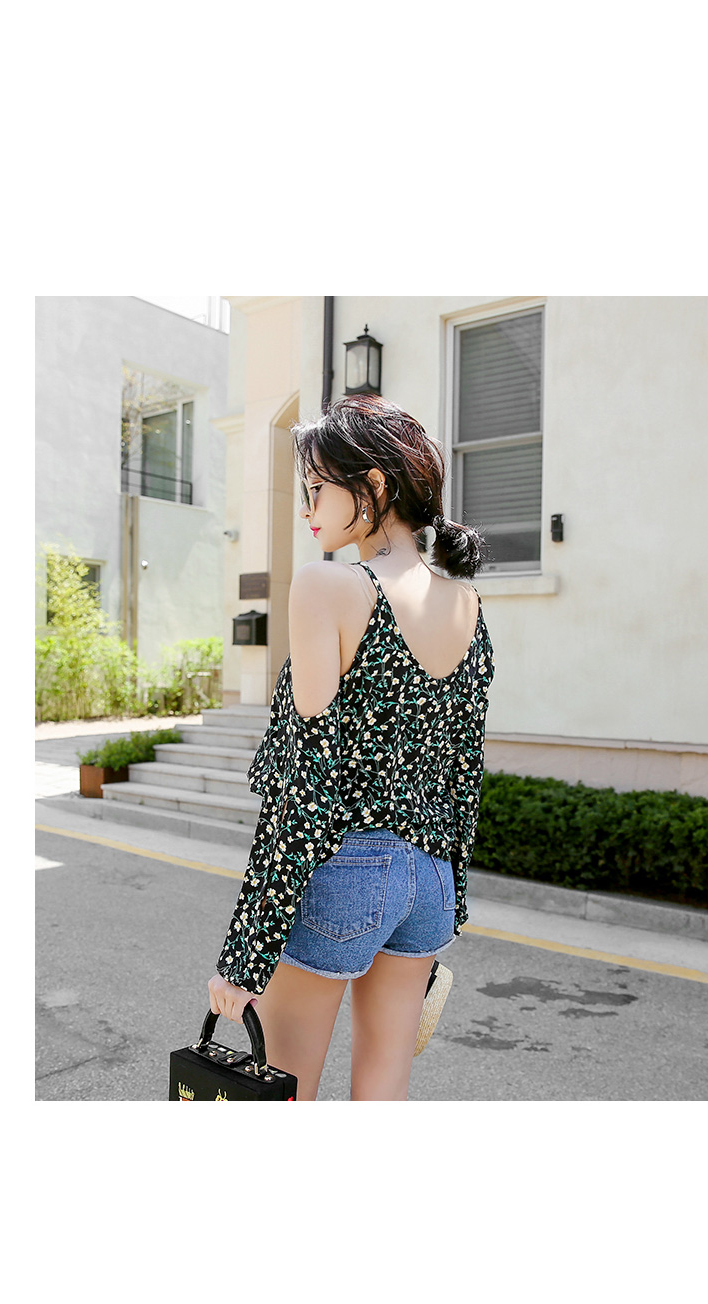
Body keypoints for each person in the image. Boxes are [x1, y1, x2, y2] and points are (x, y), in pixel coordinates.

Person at [207, 395, 496, 1100]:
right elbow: (464, 771)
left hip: (350, 864)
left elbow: (306, 785)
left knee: (283, 1087)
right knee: (383, 1085)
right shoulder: (466, 603)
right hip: (428, 875)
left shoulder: (327, 587)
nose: (308, 508)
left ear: (372, 485)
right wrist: (449, 900)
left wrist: (246, 953)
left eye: (317, 488)